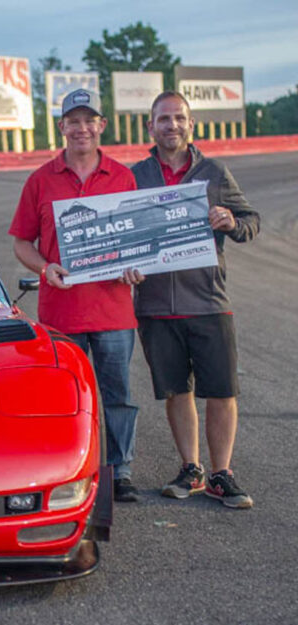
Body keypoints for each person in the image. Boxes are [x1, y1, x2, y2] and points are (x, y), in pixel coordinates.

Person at [9, 89, 144, 502]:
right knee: (63, 396)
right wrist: (44, 268)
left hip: (114, 311)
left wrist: (135, 265)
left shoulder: (123, 177)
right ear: (61, 127)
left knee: (117, 395)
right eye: (73, 121)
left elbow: (138, 238)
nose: (81, 128)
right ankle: (62, 468)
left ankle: (119, 470)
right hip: (61, 313)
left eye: (89, 120)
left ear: (102, 125)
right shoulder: (40, 179)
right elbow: (21, 242)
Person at [132, 91, 260, 508]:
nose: (171, 126)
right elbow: (122, 234)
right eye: (163, 119)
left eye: (179, 118)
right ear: (150, 127)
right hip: (154, 305)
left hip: (209, 301)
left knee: (222, 391)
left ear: (191, 125)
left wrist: (231, 221)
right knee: (176, 391)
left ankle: (222, 473)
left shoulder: (214, 172)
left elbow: (251, 220)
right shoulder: (134, 176)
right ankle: (192, 468)